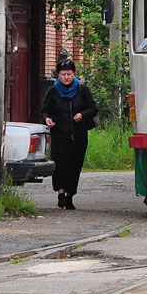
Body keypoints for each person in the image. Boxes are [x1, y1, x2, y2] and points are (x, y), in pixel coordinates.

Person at [41, 58, 98, 210]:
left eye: (69, 74)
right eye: (63, 74)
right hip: (59, 135)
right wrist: (47, 119)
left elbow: (93, 109)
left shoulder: (82, 90)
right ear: (58, 75)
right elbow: (45, 110)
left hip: (78, 136)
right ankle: (61, 193)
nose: (66, 77)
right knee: (60, 166)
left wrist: (82, 115)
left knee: (74, 167)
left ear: (74, 74)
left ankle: (70, 196)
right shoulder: (53, 91)